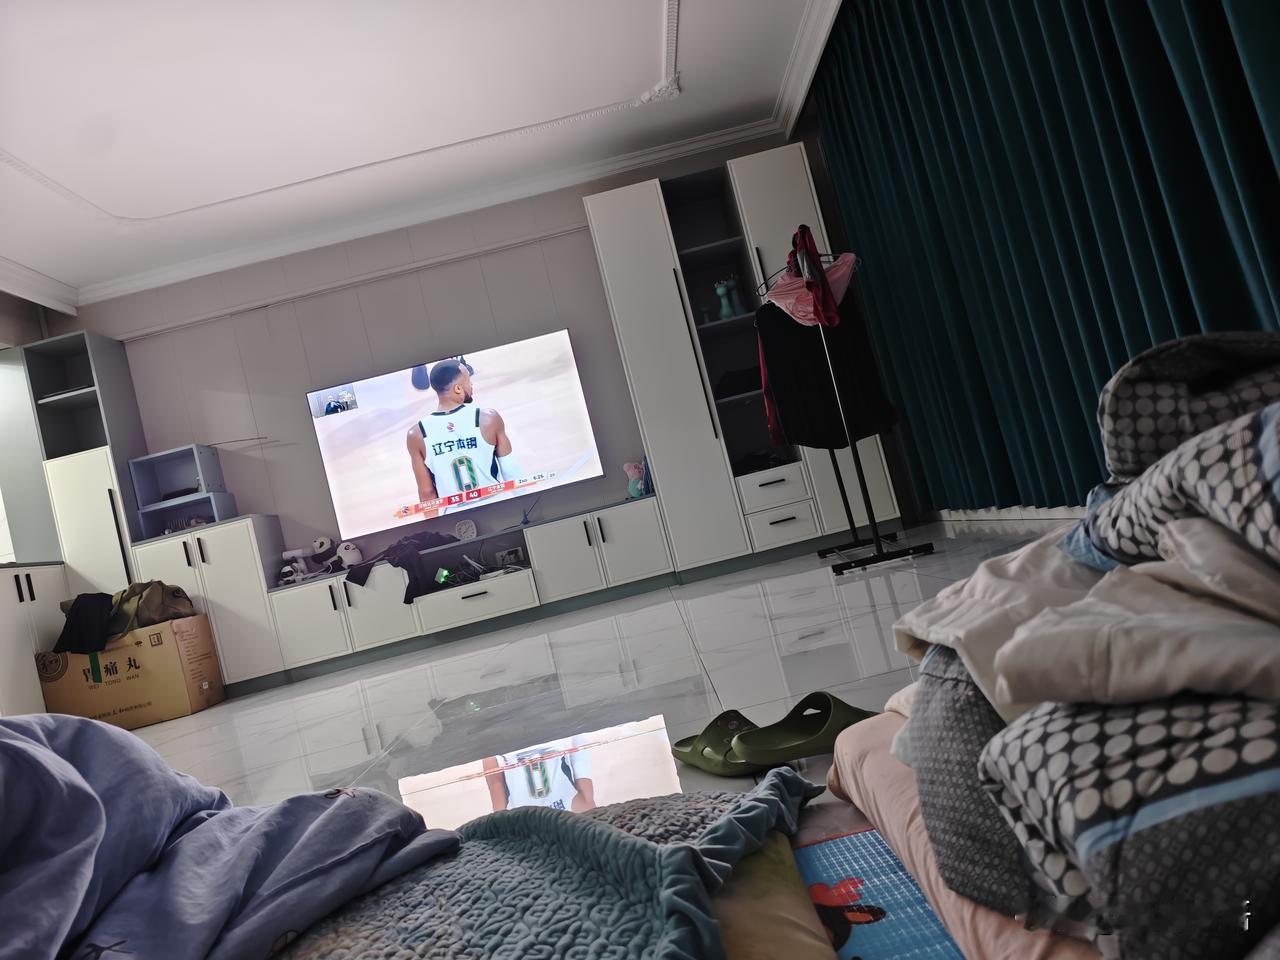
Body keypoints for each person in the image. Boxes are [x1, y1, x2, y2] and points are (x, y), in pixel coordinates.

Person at [404, 357, 522, 515]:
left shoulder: (417, 434)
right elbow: (511, 470)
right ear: (458, 389)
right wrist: (525, 508)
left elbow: (427, 492)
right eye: (469, 381)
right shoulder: (487, 418)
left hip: (454, 516)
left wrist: (435, 528)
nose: (471, 385)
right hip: (496, 506)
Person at [482, 736, 595, 813]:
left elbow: (581, 759)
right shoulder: (510, 824)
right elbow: (494, 781)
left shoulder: (581, 810)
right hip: (513, 743)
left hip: (545, 737)